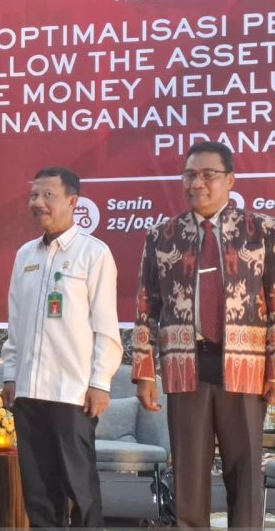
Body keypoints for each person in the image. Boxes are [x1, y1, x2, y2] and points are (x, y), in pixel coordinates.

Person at [132, 141, 275, 529]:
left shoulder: (262, 231)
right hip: (185, 366)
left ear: (230, 180)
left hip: (245, 368)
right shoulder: (162, 235)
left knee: (245, 473)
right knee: (188, 475)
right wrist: (144, 372)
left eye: (208, 175)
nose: (198, 183)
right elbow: (146, 305)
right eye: (190, 175)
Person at [1, 167, 122, 528]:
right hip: (28, 391)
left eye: (48, 196)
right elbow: (15, 323)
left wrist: (100, 382)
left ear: (72, 202)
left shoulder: (94, 253)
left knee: (80, 490)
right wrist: (11, 376)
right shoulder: (25, 255)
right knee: (38, 493)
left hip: (73, 392)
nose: (38, 203)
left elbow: (106, 326)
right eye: (33, 196)